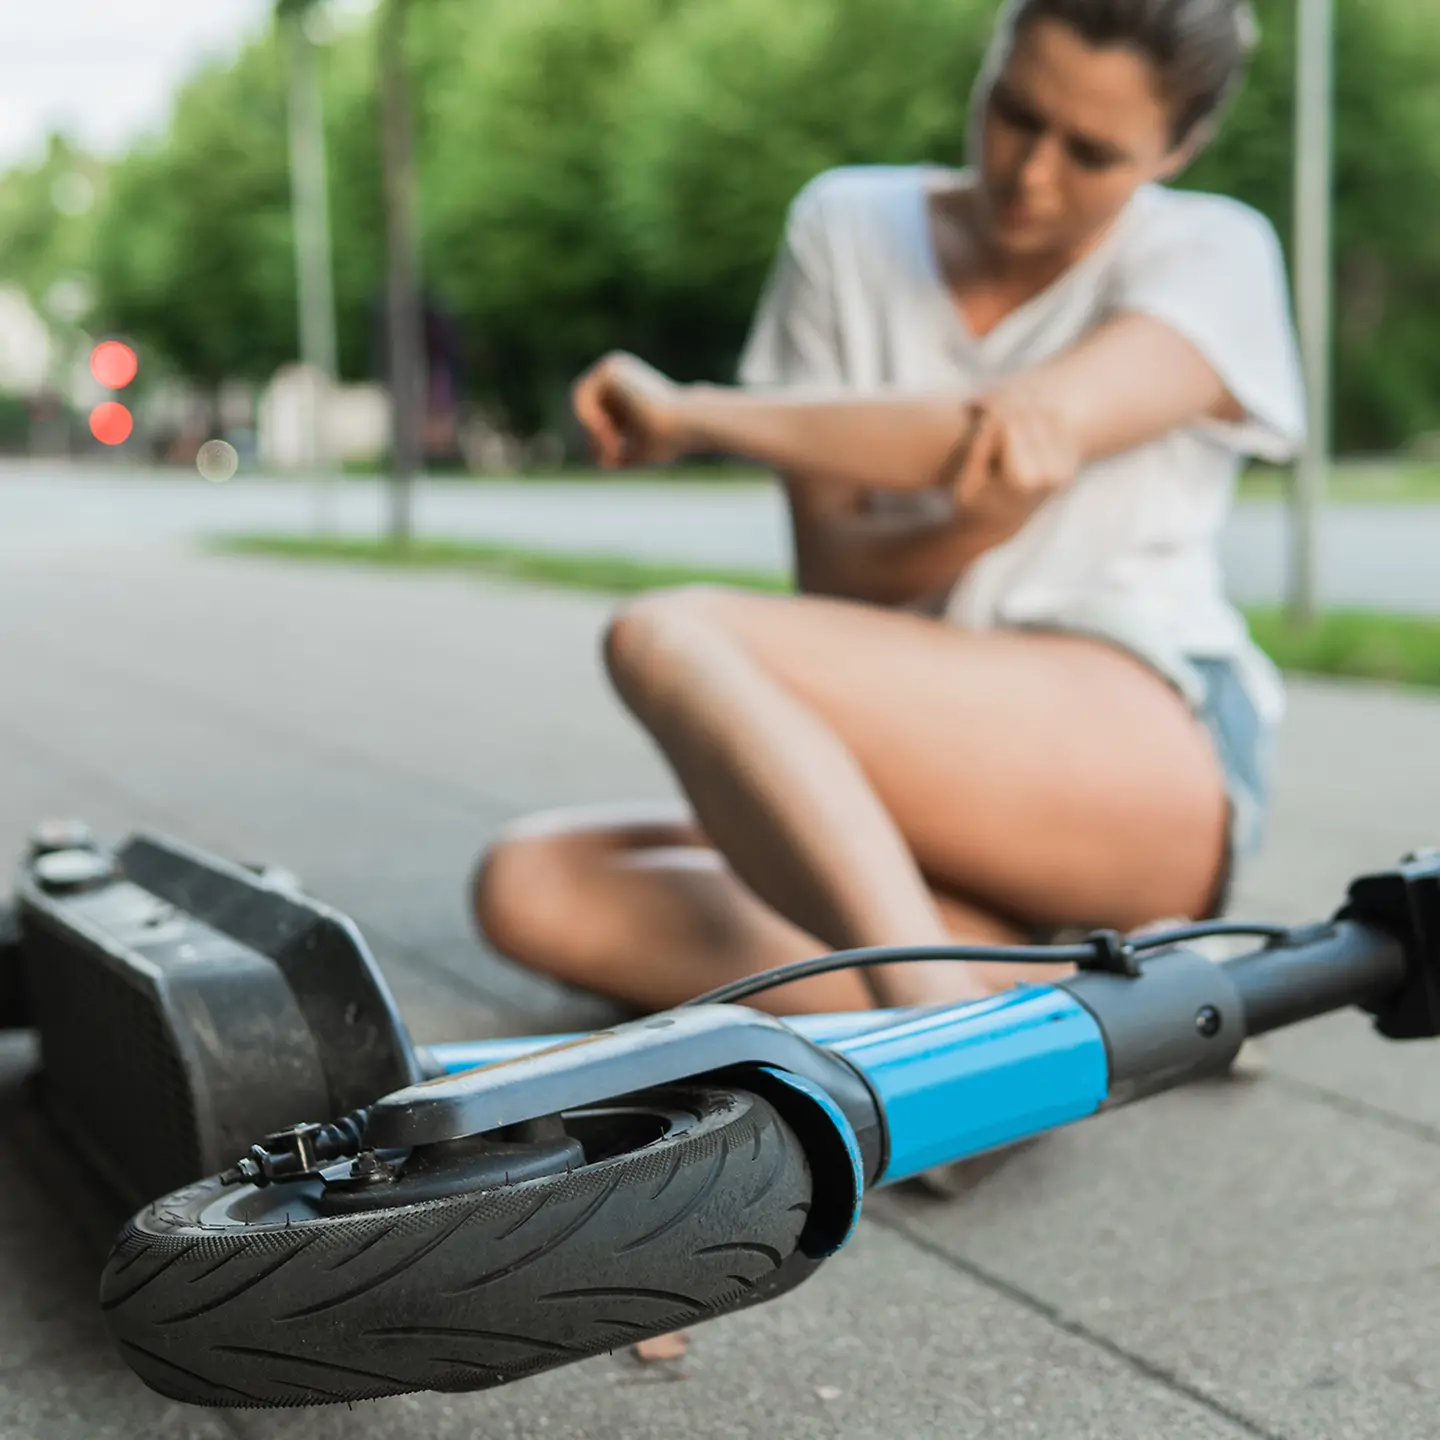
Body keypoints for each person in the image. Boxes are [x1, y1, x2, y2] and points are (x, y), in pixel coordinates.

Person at [472, 0, 1305, 1020]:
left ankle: (953, 1049)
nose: (1031, 171)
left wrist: (696, 414)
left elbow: (1008, 428)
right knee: (532, 885)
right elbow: (839, 578)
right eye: (1012, 111)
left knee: (667, 635)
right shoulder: (844, 228)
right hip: (915, 771)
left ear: (1181, 146)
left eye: (1091, 153)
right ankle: (1057, 995)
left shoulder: (1216, 252)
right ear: (990, 58)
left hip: (1143, 736)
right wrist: (975, 523)